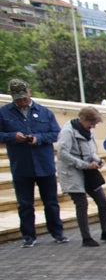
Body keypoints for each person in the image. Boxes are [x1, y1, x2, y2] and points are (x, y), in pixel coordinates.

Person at [0, 78, 68, 247]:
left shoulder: (44, 112)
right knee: (25, 204)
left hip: (44, 164)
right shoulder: (4, 113)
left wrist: (38, 138)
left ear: (29, 92)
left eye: (24, 98)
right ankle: (28, 236)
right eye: (18, 99)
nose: (22, 102)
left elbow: (55, 133)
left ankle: (57, 232)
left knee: (51, 201)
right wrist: (12, 137)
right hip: (21, 165)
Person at [56, 107, 106, 247]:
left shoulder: (88, 131)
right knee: (82, 204)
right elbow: (62, 154)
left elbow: (90, 151)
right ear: (83, 120)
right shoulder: (68, 132)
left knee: (102, 201)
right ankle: (86, 237)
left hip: (88, 171)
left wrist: (98, 160)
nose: (93, 127)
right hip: (72, 172)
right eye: (91, 123)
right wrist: (84, 164)